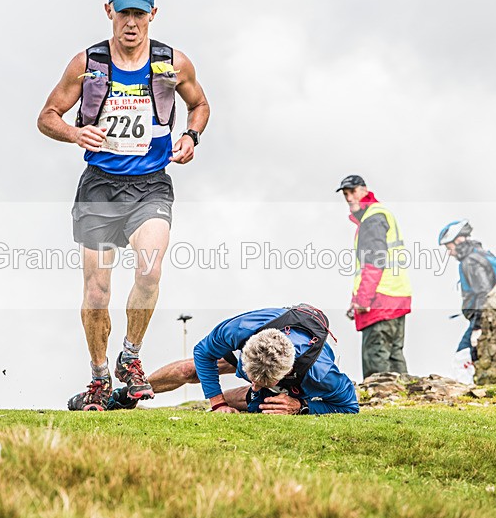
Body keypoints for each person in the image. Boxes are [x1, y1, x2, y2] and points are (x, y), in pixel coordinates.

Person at [37, 0, 210, 411]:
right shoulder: (87, 63)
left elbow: (200, 104)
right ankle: (98, 378)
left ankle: (130, 357)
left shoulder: (173, 63)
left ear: (152, 13)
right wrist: (76, 133)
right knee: (97, 292)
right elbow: (46, 117)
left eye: (139, 14)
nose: (130, 23)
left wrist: (191, 136)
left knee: (150, 268)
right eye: (123, 14)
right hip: (100, 186)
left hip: (151, 183)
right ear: (108, 12)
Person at [109, 305, 359, 414]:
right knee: (190, 370)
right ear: (243, 350)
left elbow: (350, 407)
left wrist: (301, 406)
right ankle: (132, 394)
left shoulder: (321, 374)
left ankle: (240, 397)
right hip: (263, 345)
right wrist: (217, 403)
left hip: (299, 366)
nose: (256, 385)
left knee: (249, 400)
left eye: (264, 382)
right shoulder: (239, 330)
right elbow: (202, 353)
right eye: (251, 378)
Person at [337, 175, 412, 379]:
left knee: (376, 363)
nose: (349, 198)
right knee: (395, 357)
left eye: (353, 192)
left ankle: (382, 404)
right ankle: (403, 403)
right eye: (345, 194)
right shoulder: (381, 215)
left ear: (364, 190)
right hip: (396, 296)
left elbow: (373, 263)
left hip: (379, 299)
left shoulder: (372, 219)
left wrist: (362, 300)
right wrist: (356, 300)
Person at [438, 219, 496, 367]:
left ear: (459, 240)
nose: (449, 253)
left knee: (462, 357)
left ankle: (468, 388)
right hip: (493, 315)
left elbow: (484, 292)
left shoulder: (470, 261)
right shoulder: (482, 254)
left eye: (449, 247)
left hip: (481, 317)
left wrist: (477, 326)